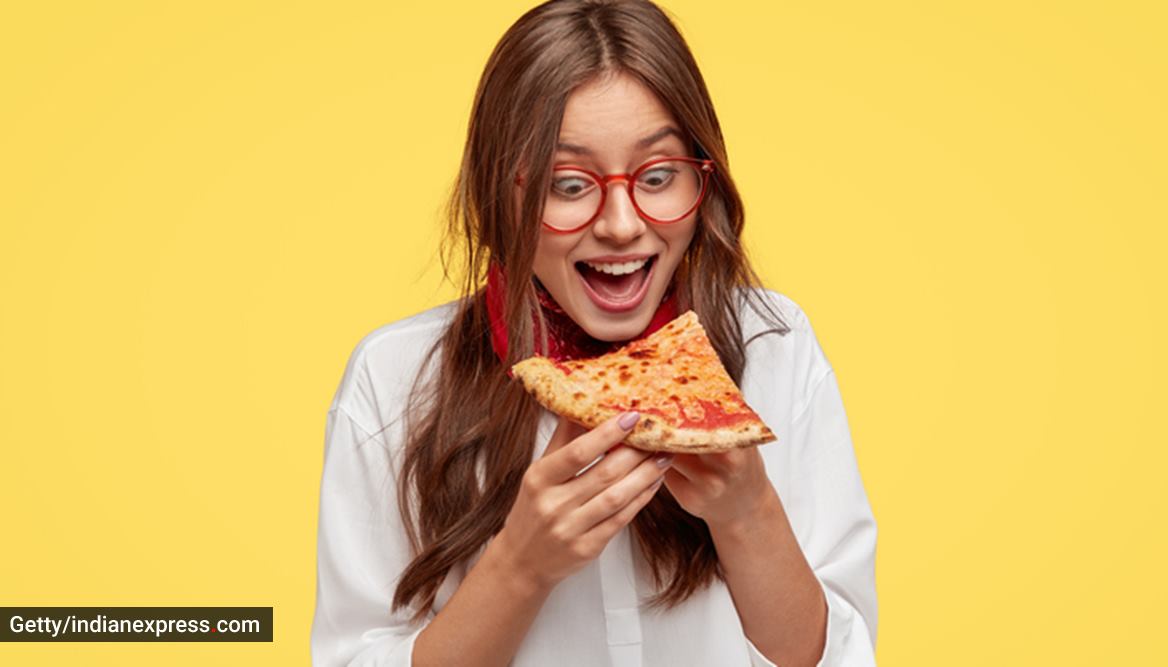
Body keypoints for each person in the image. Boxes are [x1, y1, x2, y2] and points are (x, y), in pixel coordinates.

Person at [310, 1, 877, 665]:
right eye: (568, 183)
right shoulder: (396, 378)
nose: (620, 223)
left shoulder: (774, 345)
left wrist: (747, 510)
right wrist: (520, 566)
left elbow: (836, 656)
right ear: (500, 195)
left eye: (659, 176)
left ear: (704, 176)